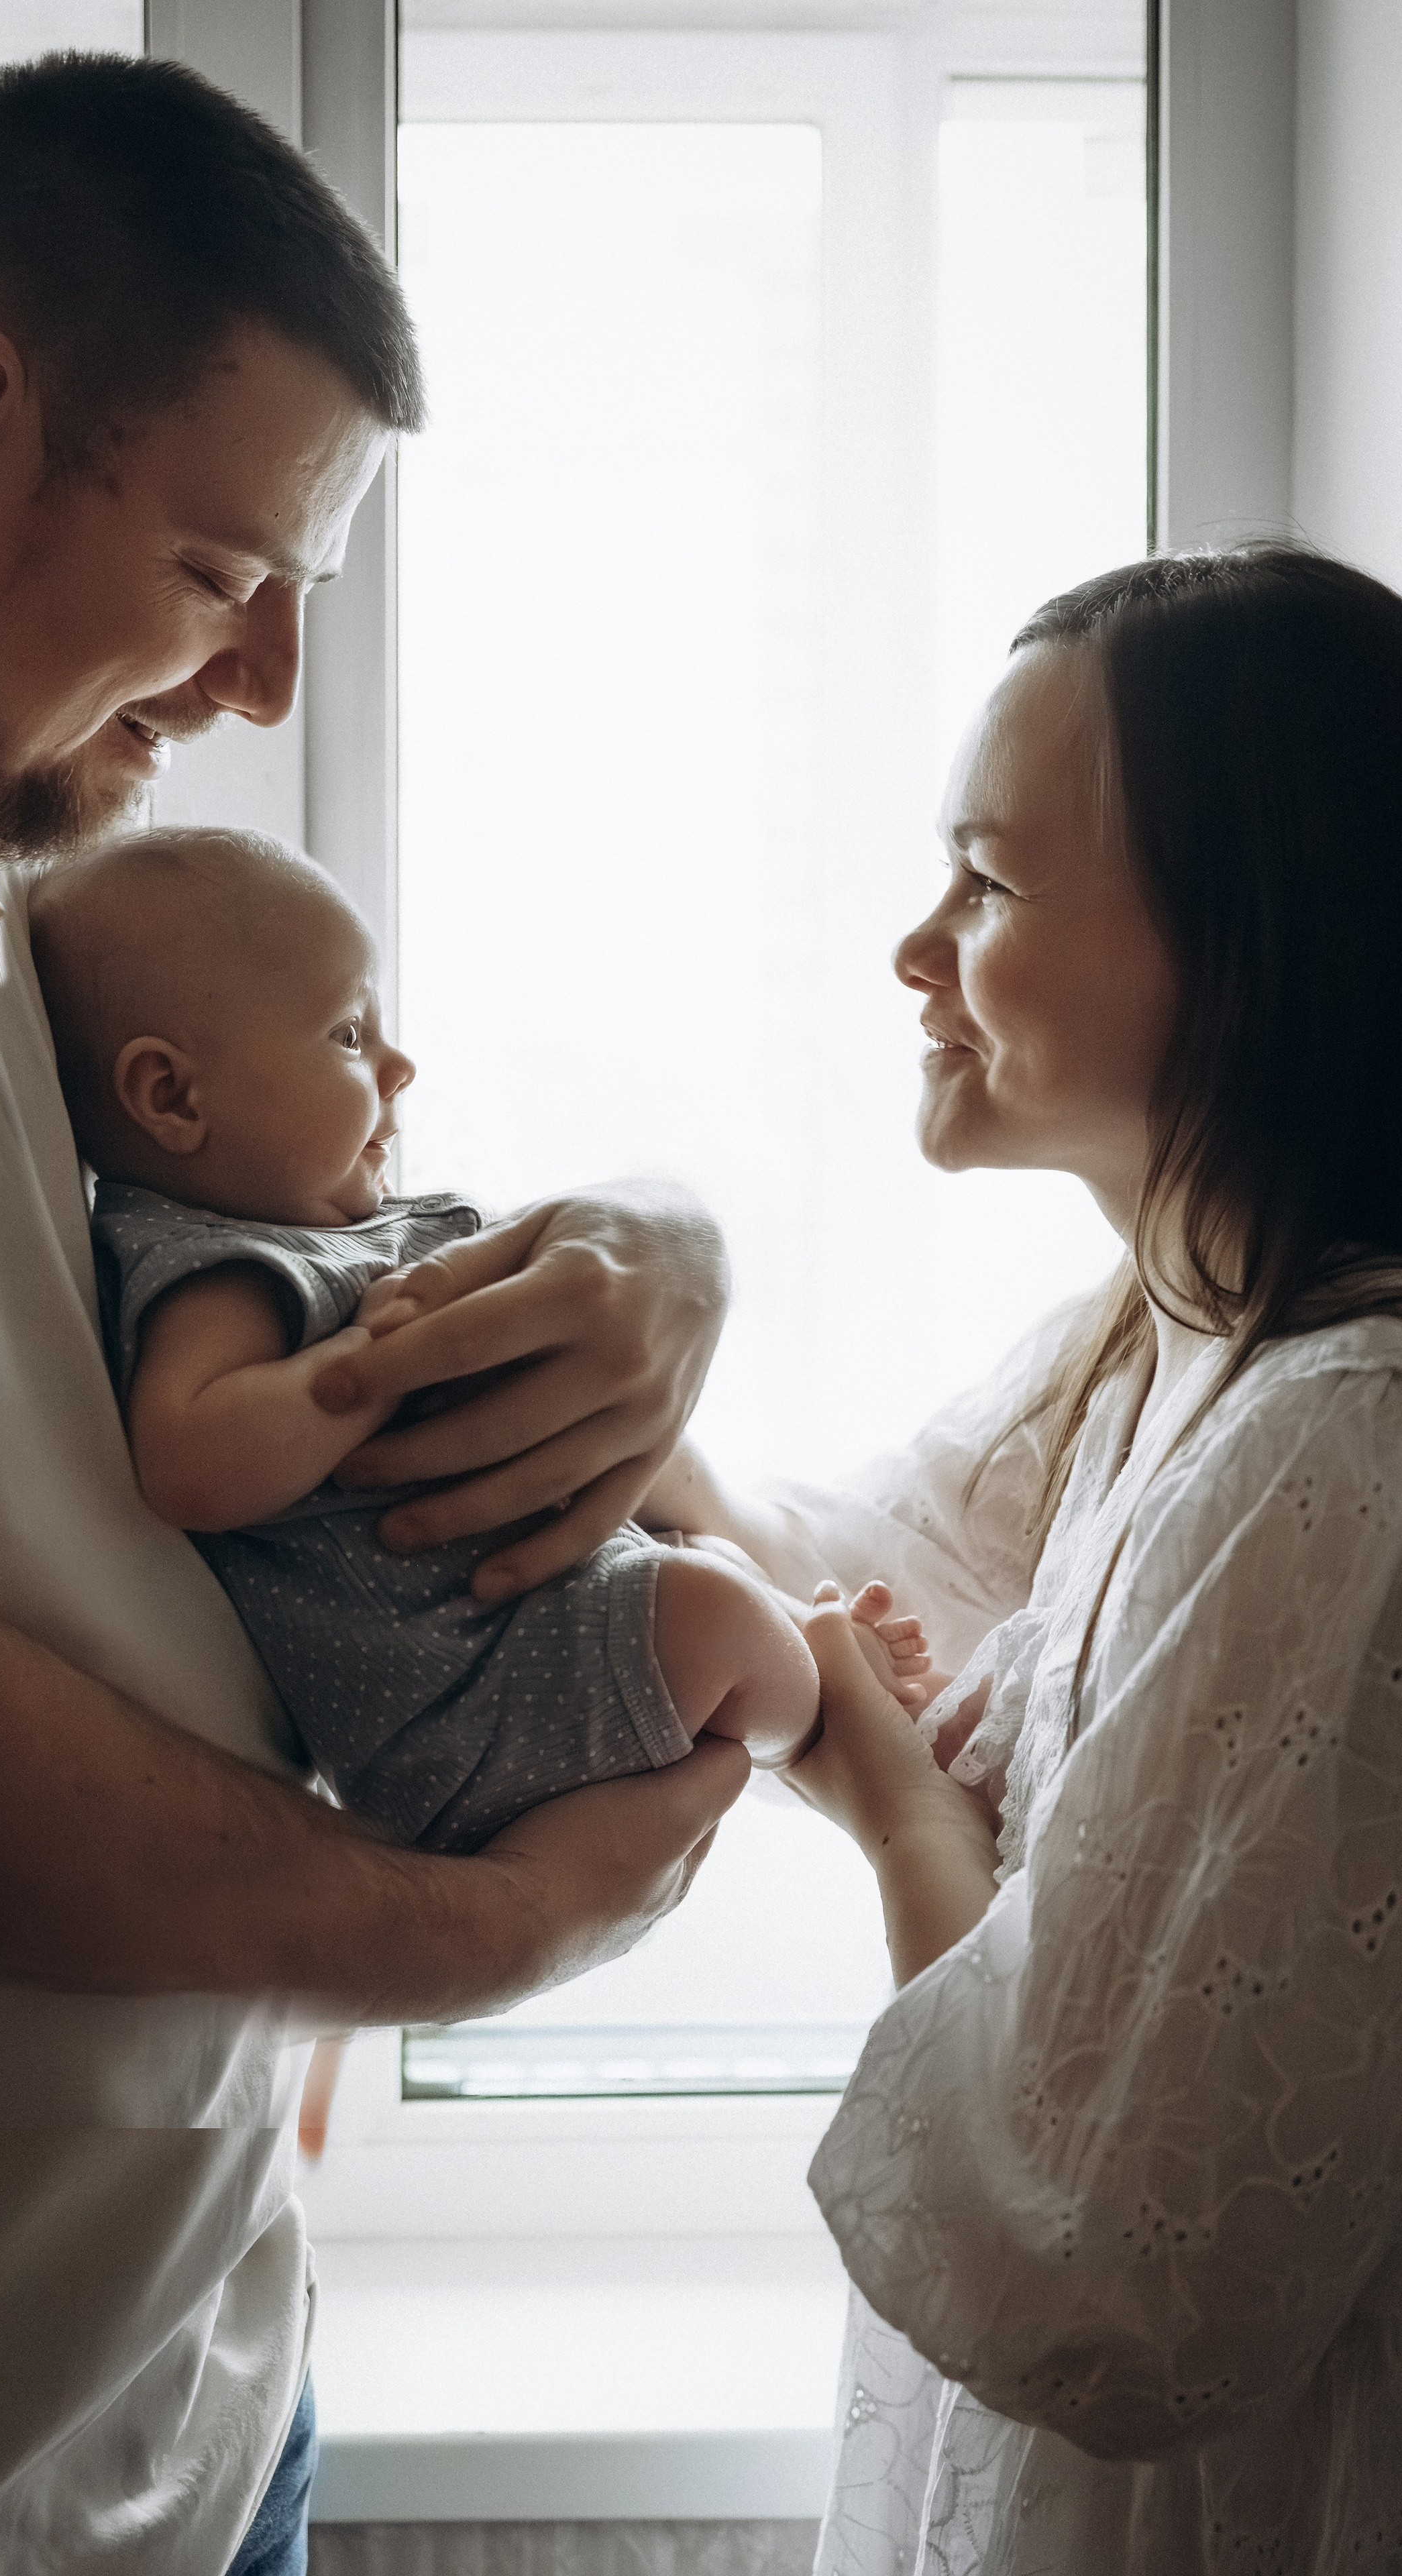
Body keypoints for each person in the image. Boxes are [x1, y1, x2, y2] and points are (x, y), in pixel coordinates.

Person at [0, 53, 752, 2576]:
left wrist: (668, 1238)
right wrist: (466, 1931)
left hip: (164, 2392)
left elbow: (305, 1191)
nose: (263, 682)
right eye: (216, 572)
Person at [649, 546, 1402, 2573]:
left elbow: (1112, 2273)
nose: (915, 946)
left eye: (987, 879)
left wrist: (891, 1797)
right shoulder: (1159, 1339)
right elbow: (842, 1551)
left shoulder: (1346, 1440)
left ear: (1247, 937)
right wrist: (625, 1265)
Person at [26, 824, 939, 1849]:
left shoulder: (325, 1232)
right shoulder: (217, 1270)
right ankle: (834, 1715)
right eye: (347, 1035)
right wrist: (363, 1373)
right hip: (459, 1699)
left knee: (707, 1568)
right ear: (174, 1097)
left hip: (521, 1631)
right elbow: (189, 1461)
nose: (398, 1064)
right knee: (717, 1620)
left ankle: (803, 1643)